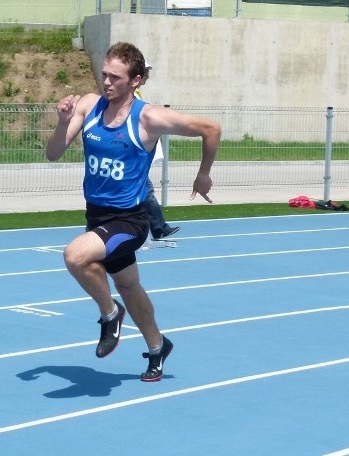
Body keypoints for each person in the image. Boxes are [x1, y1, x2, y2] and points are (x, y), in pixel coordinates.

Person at [46, 42, 220, 382]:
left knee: (75, 256)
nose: (106, 82)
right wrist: (62, 121)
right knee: (128, 286)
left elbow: (211, 129)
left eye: (115, 77)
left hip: (129, 221)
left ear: (136, 81)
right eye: (104, 75)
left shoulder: (149, 118)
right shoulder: (88, 106)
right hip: (96, 216)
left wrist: (203, 174)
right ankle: (158, 347)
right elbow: (53, 153)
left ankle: (110, 314)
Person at [134, 62, 180, 240]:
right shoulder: (131, 95)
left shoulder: (136, 94)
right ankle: (158, 228)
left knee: (144, 190)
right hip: (134, 152)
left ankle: (155, 227)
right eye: (144, 72)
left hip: (139, 151)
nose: (147, 75)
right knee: (146, 190)